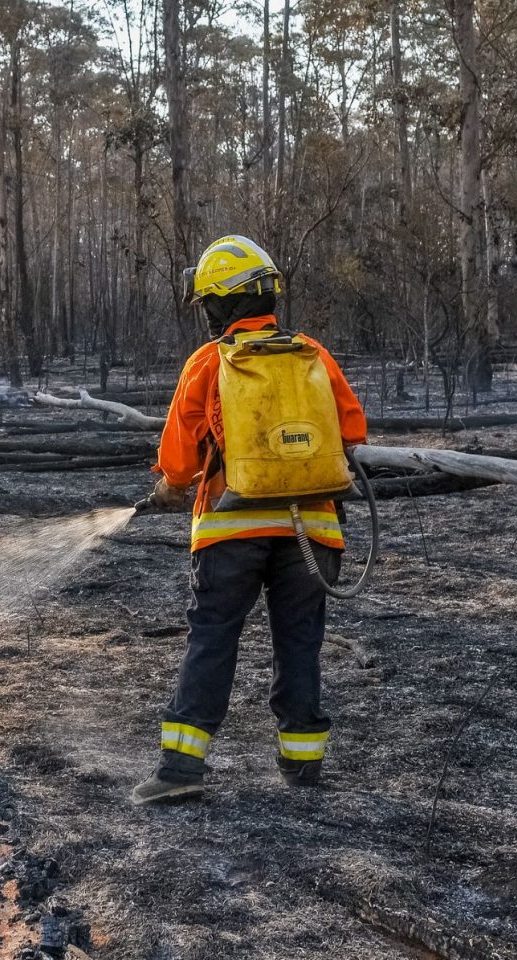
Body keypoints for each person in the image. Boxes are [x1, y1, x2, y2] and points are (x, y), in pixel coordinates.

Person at [131, 235, 367, 806]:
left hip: (229, 532)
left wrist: (167, 489)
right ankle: (303, 765)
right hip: (313, 530)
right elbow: (353, 432)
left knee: (213, 638)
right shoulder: (313, 353)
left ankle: (182, 767)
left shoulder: (209, 363)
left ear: (222, 305)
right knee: (300, 642)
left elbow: (181, 462)